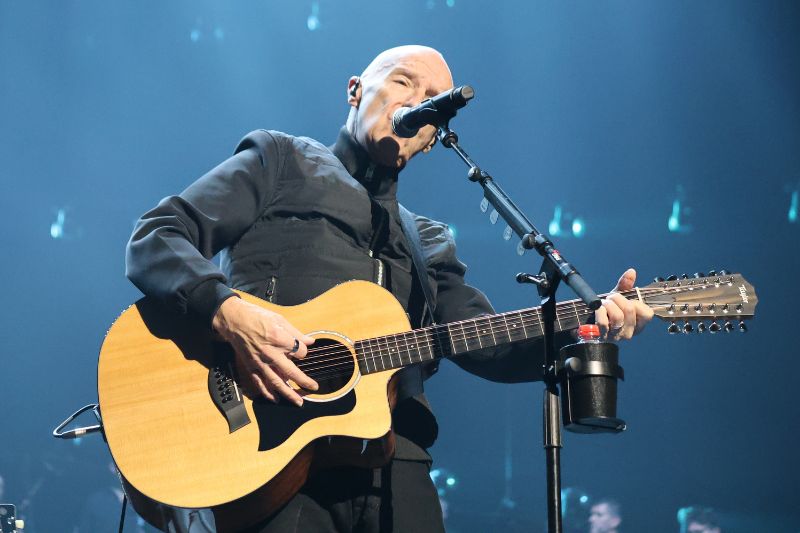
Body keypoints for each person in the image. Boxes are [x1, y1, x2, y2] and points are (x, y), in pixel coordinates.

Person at [126, 45, 653, 532]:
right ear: (356, 90)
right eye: (404, 82)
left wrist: (584, 329)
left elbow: (487, 343)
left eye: (432, 103)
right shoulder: (281, 160)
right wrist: (228, 313)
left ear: (432, 139)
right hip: (266, 442)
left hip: (394, 457)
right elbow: (158, 236)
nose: (418, 104)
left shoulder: (426, 239)